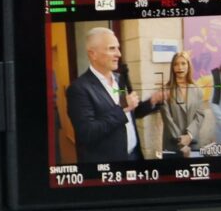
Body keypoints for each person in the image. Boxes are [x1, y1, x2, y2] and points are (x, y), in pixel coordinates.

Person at [65, 28, 162, 164]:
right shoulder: (79, 89)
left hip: (134, 156)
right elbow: (87, 133)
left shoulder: (119, 79)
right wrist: (122, 108)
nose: (119, 54)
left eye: (118, 48)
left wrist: (153, 100)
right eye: (112, 48)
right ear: (93, 54)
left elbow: (131, 112)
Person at [157, 52, 208, 158]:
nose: (180, 67)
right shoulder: (164, 90)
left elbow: (200, 115)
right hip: (172, 145)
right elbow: (167, 120)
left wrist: (189, 135)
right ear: (172, 68)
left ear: (189, 66)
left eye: (183, 63)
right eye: (176, 64)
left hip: (193, 142)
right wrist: (181, 143)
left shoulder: (197, 90)